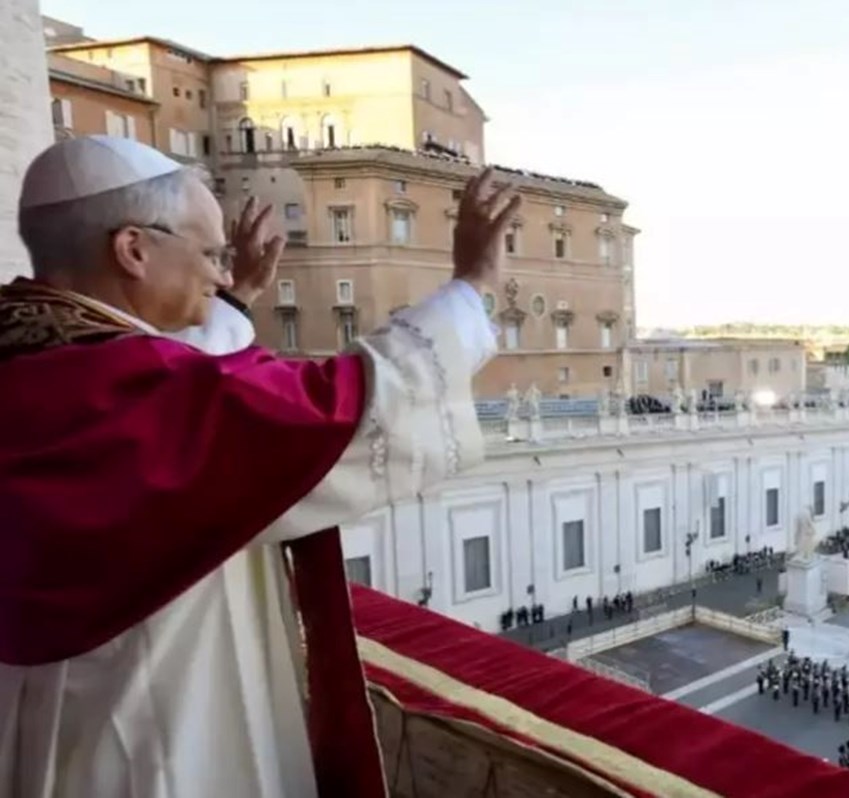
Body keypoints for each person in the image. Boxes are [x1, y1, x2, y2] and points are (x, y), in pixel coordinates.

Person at [0, 136, 521, 798]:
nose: (219, 276)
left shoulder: (38, 356)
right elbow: (340, 407)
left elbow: (187, 370)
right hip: (146, 737)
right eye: (210, 256)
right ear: (133, 250)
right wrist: (472, 289)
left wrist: (239, 295)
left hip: (47, 714)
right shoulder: (146, 396)